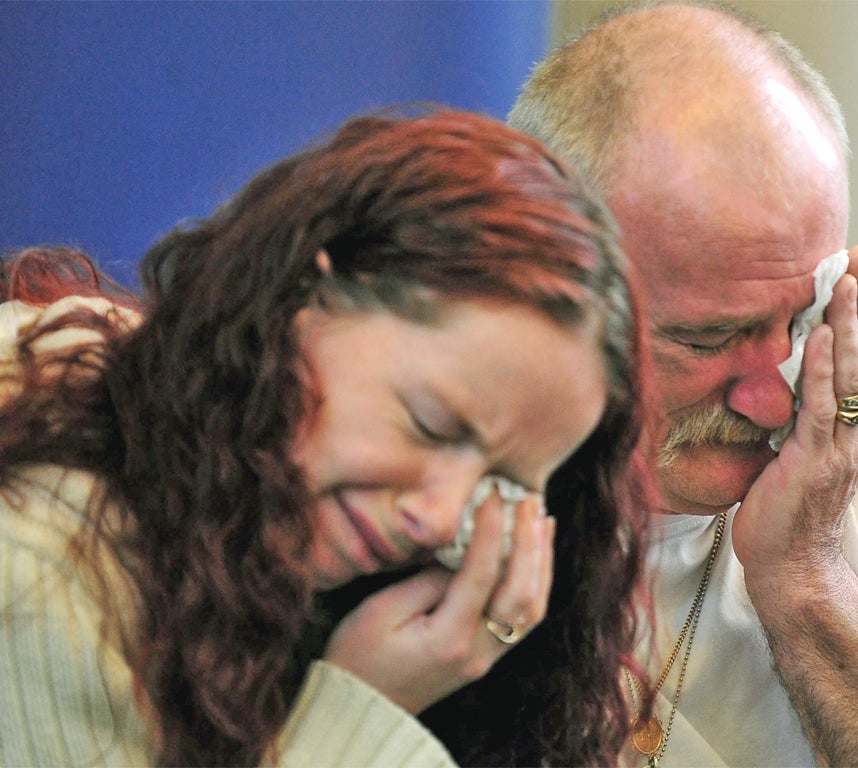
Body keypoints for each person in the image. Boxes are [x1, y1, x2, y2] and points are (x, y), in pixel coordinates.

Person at [0, 109, 657, 767]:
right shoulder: (35, 559)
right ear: (300, 296)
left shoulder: (269, 542)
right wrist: (365, 712)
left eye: (504, 485)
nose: (440, 518)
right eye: (430, 424)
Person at [507, 1, 858, 765]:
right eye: (708, 337)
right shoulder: (421, 428)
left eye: (801, 315)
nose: (775, 398)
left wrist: (806, 577)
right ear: (544, 282)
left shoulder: (856, 398)